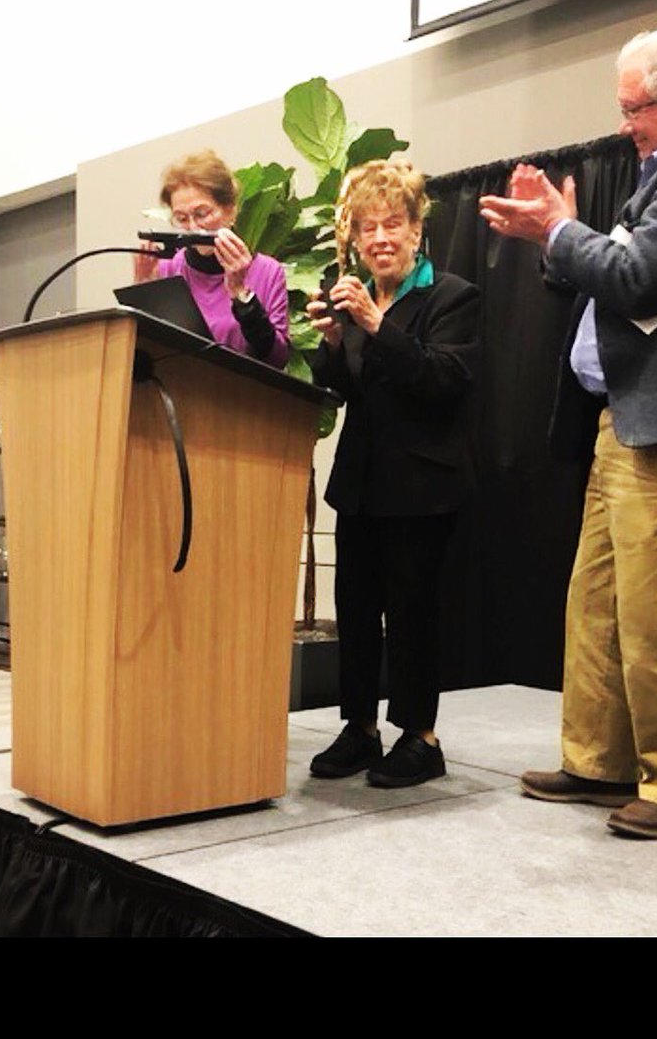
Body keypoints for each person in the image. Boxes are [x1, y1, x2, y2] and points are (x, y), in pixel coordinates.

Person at [479, 24, 657, 840]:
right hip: (632, 419)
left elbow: (641, 276)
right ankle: (600, 759)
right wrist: (564, 236)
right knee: (600, 601)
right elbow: (617, 274)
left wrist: (560, 235)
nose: (623, 124)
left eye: (632, 106)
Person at [305, 159, 479, 788]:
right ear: (353, 238)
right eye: (367, 227)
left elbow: (443, 381)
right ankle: (360, 728)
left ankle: (419, 737)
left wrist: (377, 327)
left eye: (393, 224)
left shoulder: (452, 296)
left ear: (416, 228)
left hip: (422, 487)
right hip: (360, 485)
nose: (380, 238)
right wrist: (331, 344)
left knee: (412, 614)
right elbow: (346, 391)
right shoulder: (356, 301)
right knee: (354, 610)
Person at [134, 149, 290, 369]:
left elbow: (277, 359)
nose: (193, 227)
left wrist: (241, 295)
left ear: (230, 210)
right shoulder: (168, 267)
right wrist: (144, 290)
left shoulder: (266, 271)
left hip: (242, 394)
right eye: (181, 218)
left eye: (202, 214)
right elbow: (147, 350)